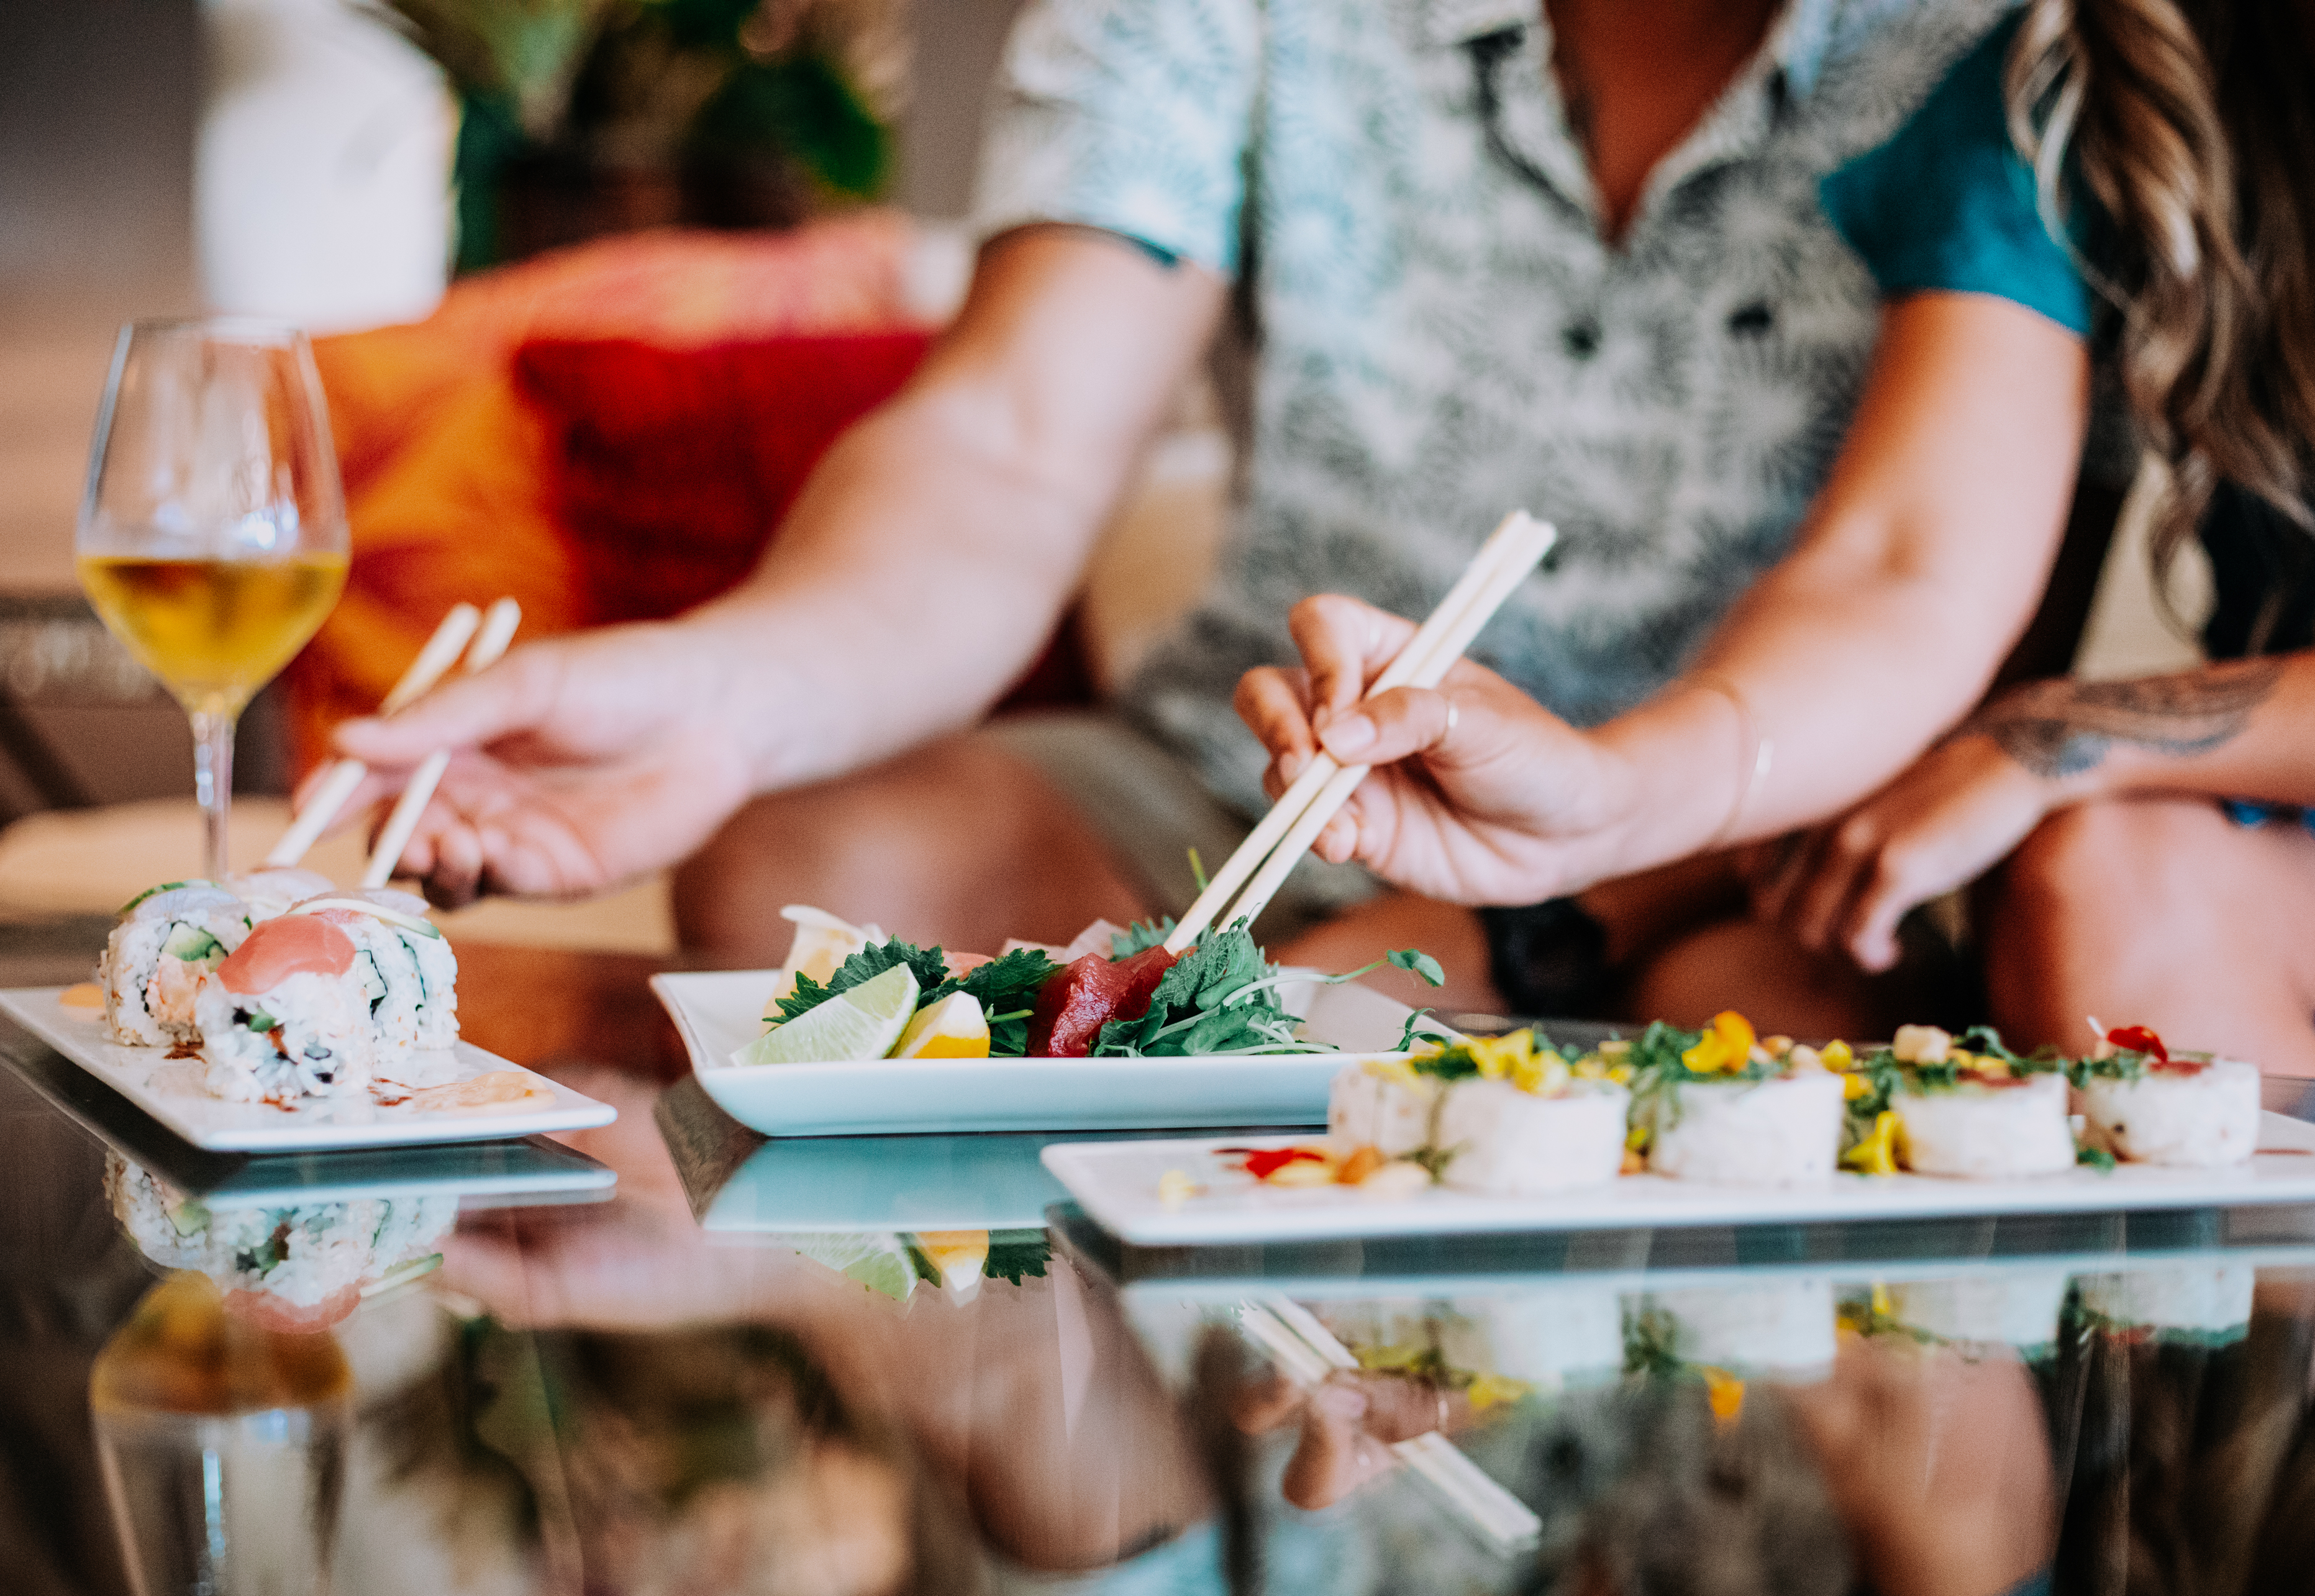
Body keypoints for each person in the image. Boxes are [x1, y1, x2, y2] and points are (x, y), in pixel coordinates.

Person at [316, 0, 2058, 1036]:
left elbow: (1906, 572)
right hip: (1244, 778)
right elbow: (1008, 433)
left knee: (1758, 1014)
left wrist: (1578, 870)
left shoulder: (2018, 46)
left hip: (1747, 820)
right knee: (808, 865)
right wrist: (730, 692)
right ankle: (1110, 1560)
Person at [1240, 0, 2315, 1074]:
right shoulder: (2090, 76)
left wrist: (2061, 732)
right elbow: (1901, 570)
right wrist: (1608, 799)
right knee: (2103, 885)